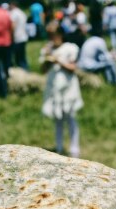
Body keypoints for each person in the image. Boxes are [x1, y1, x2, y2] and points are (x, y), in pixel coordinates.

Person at [41, 23, 83, 158]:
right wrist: (47, 59)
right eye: (50, 36)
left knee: (70, 116)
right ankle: (58, 147)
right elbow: (43, 70)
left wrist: (58, 61)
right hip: (54, 87)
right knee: (57, 118)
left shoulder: (70, 48)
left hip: (68, 87)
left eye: (54, 35)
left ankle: (74, 148)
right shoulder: (47, 49)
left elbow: (73, 68)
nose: (52, 38)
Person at [10, 1, 29, 70]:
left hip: (17, 38)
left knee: (18, 58)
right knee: (22, 57)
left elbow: (13, 26)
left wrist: (10, 36)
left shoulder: (14, 13)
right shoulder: (21, 12)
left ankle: (22, 71)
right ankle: (26, 70)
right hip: (23, 37)